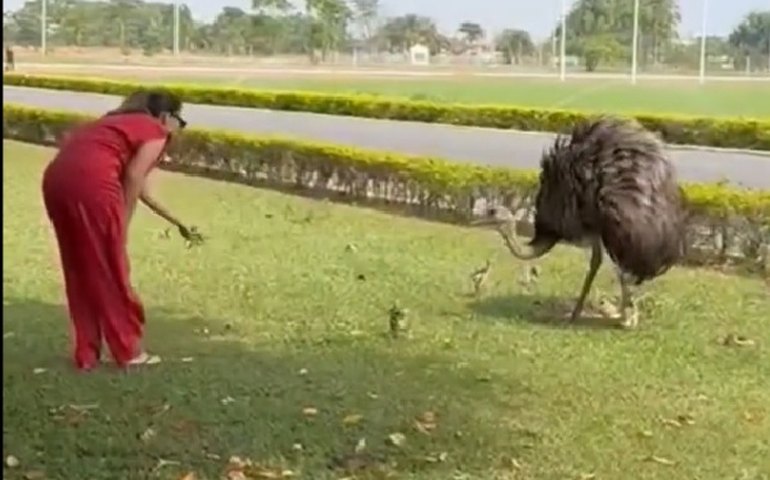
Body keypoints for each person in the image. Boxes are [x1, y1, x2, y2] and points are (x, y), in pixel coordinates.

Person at [42, 89, 201, 371]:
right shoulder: (155, 130)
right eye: (180, 120)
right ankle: (128, 351)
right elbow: (134, 177)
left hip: (56, 182)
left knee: (79, 268)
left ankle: (87, 353)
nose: (180, 127)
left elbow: (139, 186)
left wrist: (177, 222)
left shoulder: (114, 123)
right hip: (92, 185)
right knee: (111, 268)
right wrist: (121, 226)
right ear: (166, 116)